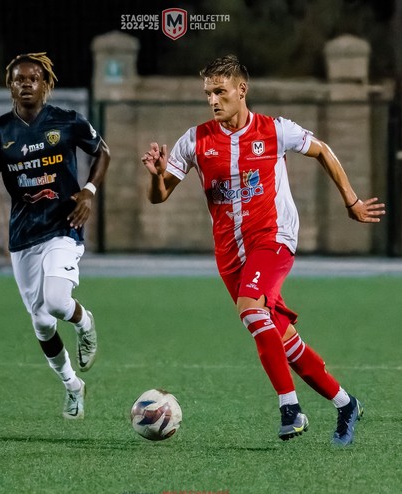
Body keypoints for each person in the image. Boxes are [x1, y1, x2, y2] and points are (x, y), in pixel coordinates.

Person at [141, 55, 385, 444]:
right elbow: (159, 196)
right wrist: (155, 178)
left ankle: (290, 408)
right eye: (208, 94)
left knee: (251, 311)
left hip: (273, 238)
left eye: (220, 92)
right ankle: (345, 403)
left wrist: (351, 202)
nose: (213, 100)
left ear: (242, 90)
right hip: (230, 254)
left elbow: (322, 149)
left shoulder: (275, 130)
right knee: (282, 338)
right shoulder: (196, 140)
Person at [0, 52, 110, 420]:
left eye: (33, 78)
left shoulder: (67, 122)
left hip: (63, 226)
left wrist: (89, 192)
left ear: (46, 83)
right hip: (23, 235)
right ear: (10, 85)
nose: (26, 84)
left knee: (54, 300)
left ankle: (84, 321)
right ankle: (72, 386)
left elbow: (103, 153)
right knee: (41, 322)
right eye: (19, 79)